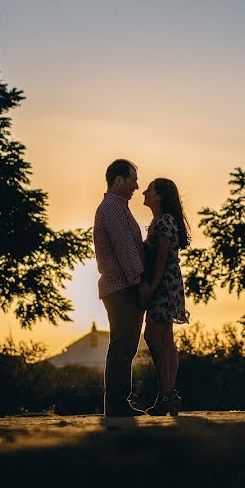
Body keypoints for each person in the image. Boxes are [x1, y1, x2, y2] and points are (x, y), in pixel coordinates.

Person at [93, 159, 153, 417]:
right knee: (123, 345)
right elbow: (125, 249)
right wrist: (140, 283)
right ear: (118, 180)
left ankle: (118, 403)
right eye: (132, 180)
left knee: (125, 345)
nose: (136, 186)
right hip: (122, 287)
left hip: (121, 286)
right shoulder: (112, 209)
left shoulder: (117, 208)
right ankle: (117, 404)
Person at [141, 177, 191, 416]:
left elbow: (160, 259)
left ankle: (167, 394)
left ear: (159, 196)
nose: (144, 192)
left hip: (164, 283)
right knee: (165, 338)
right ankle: (170, 395)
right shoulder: (159, 221)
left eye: (149, 190)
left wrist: (151, 286)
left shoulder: (163, 222)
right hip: (170, 281)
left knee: (152, 335)